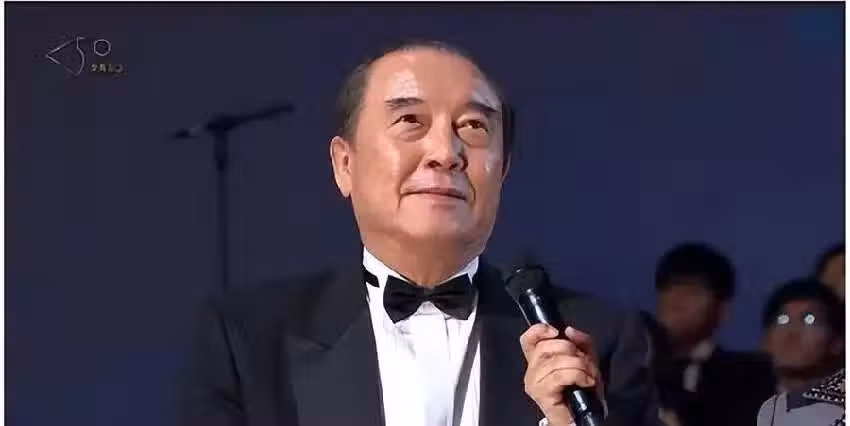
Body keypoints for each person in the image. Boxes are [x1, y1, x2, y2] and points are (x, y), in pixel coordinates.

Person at [176, 40, 661, 426]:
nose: (445, 152)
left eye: (473, 126)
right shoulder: (247, 341)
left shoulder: (599, 340)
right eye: (410, 120)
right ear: (345, 164)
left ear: (503, 169)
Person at [654, 242, 775, 426]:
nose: (675, 301)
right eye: (668, 289)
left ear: (722, 310)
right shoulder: (630, 367)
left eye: (692, 292)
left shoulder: (750, 375)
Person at [756, 279, 845, 426]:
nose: (792, 333)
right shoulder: (737, 407)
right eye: (783, 320)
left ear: (837, 342)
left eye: (809, 320)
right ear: (766, 340)